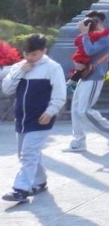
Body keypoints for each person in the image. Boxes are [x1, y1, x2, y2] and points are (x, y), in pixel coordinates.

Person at [1, 34, 66, 204]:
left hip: (41, 119)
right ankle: (40, 181)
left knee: (28, 154)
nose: (30, 58)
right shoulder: (19, 67)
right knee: (24, 153)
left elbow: (60, 93)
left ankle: (21, 190)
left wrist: (51, 111)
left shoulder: (53, 68)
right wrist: (20, 72)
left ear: (44, 51)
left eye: (34, 54)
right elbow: (7, 89)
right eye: (27, 54)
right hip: (22, 118)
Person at [67, 11, 109, 152]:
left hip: (95, 77)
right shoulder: (92, 36)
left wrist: (84, 34)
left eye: (93, 21)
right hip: (85, 76)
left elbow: (90, 51)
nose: (89, 23)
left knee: (84, 110)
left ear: (100, 22)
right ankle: (79, 141)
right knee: (75, 109)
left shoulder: (105, 38)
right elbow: (83, 53)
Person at [66, 17, 109, 88]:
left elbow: (76, 43)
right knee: (84, 69)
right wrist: (107, 31)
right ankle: (72, 82)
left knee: (79, 70)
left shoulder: (80, 36)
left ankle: (72, 82)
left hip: (78, 56)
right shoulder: (93, 34)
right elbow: (104, 33)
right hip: (84, 57)